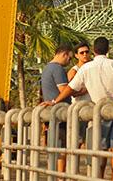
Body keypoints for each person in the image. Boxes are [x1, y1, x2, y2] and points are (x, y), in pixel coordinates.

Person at [47, 37, 113, 178]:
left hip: (95, 113)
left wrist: (55, 101)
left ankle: (96, 177)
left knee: (97, 150)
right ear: (108, 49)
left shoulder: (86, 68)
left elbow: (70, 87)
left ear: (93, 51)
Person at [39, 45, 74, 173]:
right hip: (61, 113)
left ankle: (54, 174)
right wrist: (78, 90)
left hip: (51, 114)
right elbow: (64, 90)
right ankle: (60, 176)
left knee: (55, 147)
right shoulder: (58, 69)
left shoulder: (47, 68)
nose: (69, 62)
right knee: (62, 148)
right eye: (69, 58)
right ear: (64, 54)